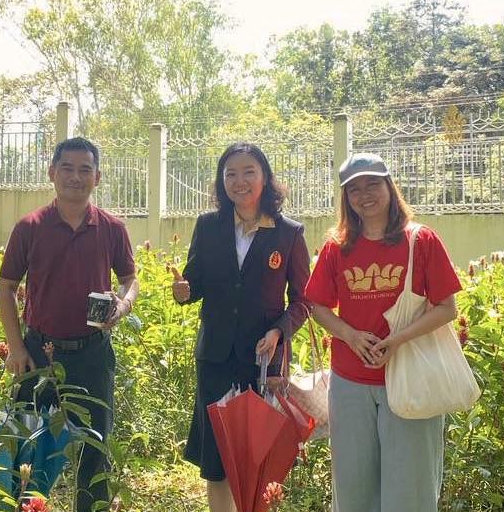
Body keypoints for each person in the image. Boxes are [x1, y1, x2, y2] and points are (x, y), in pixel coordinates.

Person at [305, 153, 460, 512]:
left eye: (373, 184)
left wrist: (397, 340)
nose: (365, 195)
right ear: (346, 198)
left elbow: (446, 308)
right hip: (350, 382)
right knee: (353, 490)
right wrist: (350, 335)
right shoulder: (337, 247)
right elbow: (317, 305)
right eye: (354, 189)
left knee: (411, 492)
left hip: (409, 376)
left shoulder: (421, 240)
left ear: (390, 186)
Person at [0, 137, 138, 512]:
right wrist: (16, 347)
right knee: (27, 446)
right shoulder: (30, 227)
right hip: (38, 354)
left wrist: (122, 305)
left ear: (98, 177)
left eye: (85, 169)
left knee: (95, 447)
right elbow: (6, 287)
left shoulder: (111, 228)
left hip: (93, 355)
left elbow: (130, 279)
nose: (76, 177)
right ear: (52, 173)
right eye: (67, 168)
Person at [171, 142, 310, 512]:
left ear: (265, 178)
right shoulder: (208, 227)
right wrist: (184, 291)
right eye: (230, 173)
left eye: (249, 172)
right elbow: (194, 283)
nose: (239, 181)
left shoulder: (288, 233)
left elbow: (303, 301)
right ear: (222, 181)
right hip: (215, 358)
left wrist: (279, 331)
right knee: (217, 460)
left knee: (256, 456)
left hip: (262, 362)